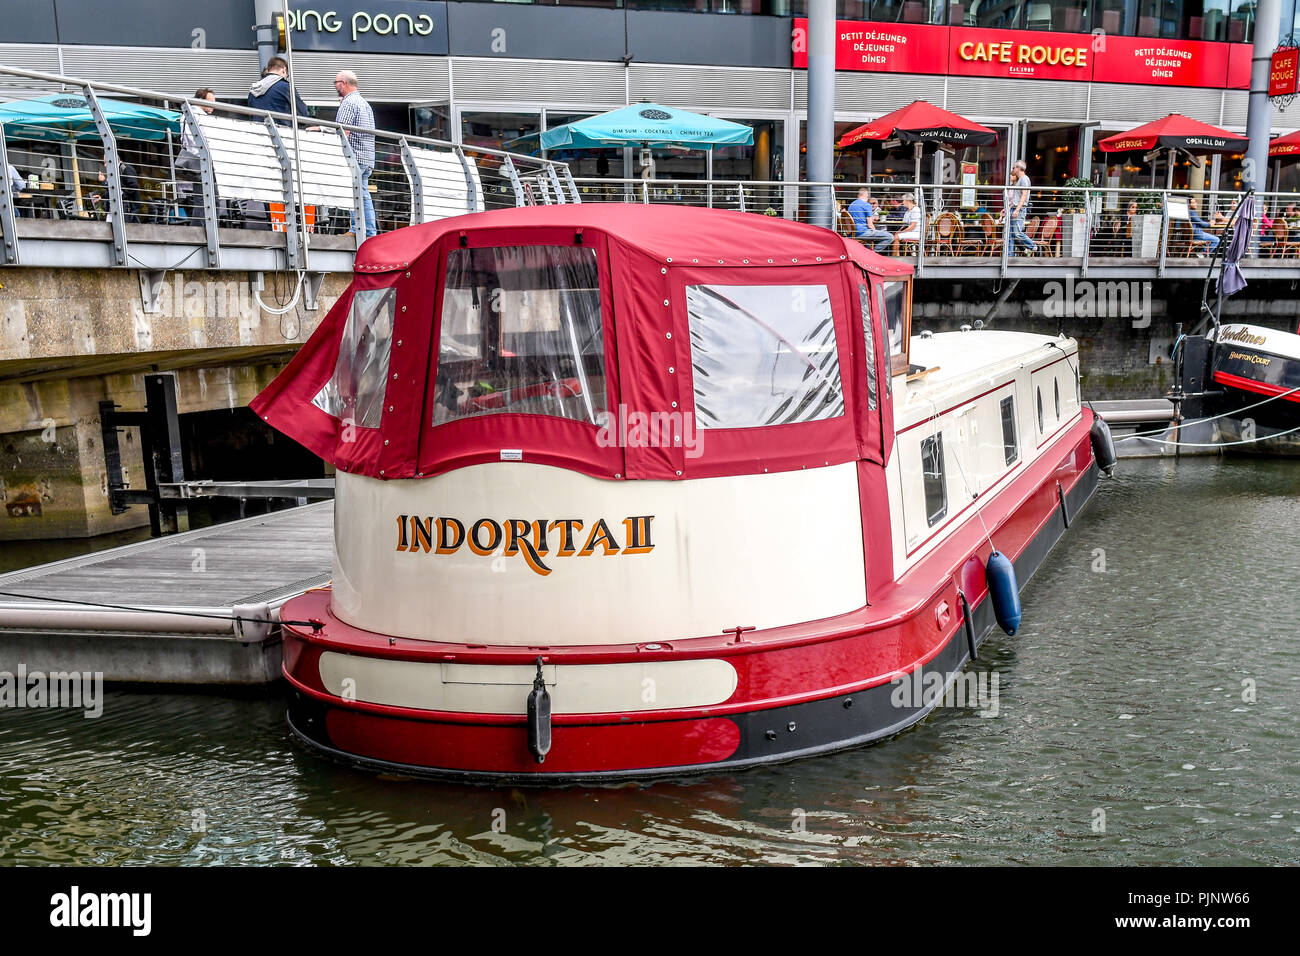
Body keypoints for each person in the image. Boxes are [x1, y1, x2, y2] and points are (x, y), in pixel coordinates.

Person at [333, 69, 377, 239]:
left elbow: (342, 131)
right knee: (363, 192)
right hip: (366, 156)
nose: (335, 86)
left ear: (344, 84)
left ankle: (360, 230)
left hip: (355, 157)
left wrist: (321, 129)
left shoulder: (349, 103)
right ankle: (367, 231)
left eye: (336, 82)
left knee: (358, 193)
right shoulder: (363, 102)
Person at [176, 88, 217, 222]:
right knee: (207, 197)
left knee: (202, 196)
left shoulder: (186, 115)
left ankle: (201, 228)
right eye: (210, 102)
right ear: (200, 100)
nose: (213, 106)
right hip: (201, 160)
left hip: (196, 159)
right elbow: (201, 140)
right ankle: (201, 228)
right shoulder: (199, 116)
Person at [247, 56, 310, 124]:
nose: (286, 77)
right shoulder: (285, 87)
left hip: (257, 130)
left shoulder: (254, 89)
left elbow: (251, 115)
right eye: (287, 75)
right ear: (284, 69)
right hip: (281, 132)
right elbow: (303, 113)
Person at [1004, 159, 1036, 256]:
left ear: (1018, 168)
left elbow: (1024, 195)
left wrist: (1017, 209)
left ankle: (1033, 246)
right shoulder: (1019, 180)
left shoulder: (1024, 179)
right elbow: (1016, 198)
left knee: (1017, 233)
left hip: (1020, 209)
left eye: (1014, 167)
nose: (1013, 169)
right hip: (1014, 208)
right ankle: (1009, 255)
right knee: (1010, 234)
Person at [846, 187, 894, 253]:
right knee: (890, 237)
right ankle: (872, 254)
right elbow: (870, 225)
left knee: (869, 244)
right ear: (867, 196)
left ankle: (868, 253)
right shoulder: (867, 205)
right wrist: (875, 231)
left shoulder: (851, 205)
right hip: (862, 232)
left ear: (858, 195)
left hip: (852, 233)